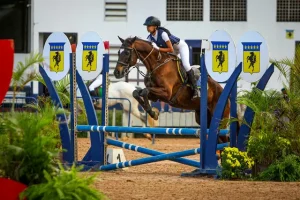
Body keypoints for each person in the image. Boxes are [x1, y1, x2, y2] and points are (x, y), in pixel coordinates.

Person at [143, 16, 199, 99]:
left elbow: (170, 48)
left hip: (180, 47)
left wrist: (158, 48)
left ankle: (195, 89)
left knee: (186, 65)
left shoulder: (163, 34)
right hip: (170, 51)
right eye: (147, 26)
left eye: (149, 26)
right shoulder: (149, 38)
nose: (147, 28)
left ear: (155, 26)